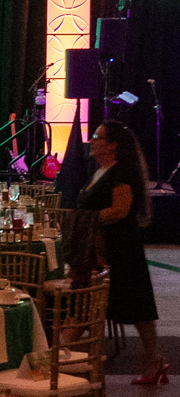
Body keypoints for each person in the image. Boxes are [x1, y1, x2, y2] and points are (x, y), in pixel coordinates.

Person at [75, 119, 164, 383]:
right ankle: (60, 356)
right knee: (87, 303)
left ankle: (153, 359)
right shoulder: (99, 171)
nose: (92, 140)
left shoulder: (121, 172)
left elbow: (120, 211)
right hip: (99, 246)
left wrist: (85, 219)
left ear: (113, 145)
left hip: (120, 248)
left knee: (137, 306)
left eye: (97, 136)